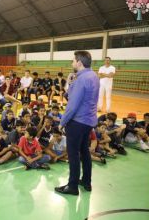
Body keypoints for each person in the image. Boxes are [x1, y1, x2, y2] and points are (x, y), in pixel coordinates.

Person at [55, 50, 99, 196]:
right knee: (84, 151)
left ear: (79, 63)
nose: (72, 63)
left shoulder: (81, 79)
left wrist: (62, 122)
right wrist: (70, 84)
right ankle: (86, 181)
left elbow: (72, 105)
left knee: (73, 154)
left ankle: (72, 186)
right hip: (89, 121)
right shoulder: (93, 76)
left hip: (77, 122)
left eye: (73, 61)